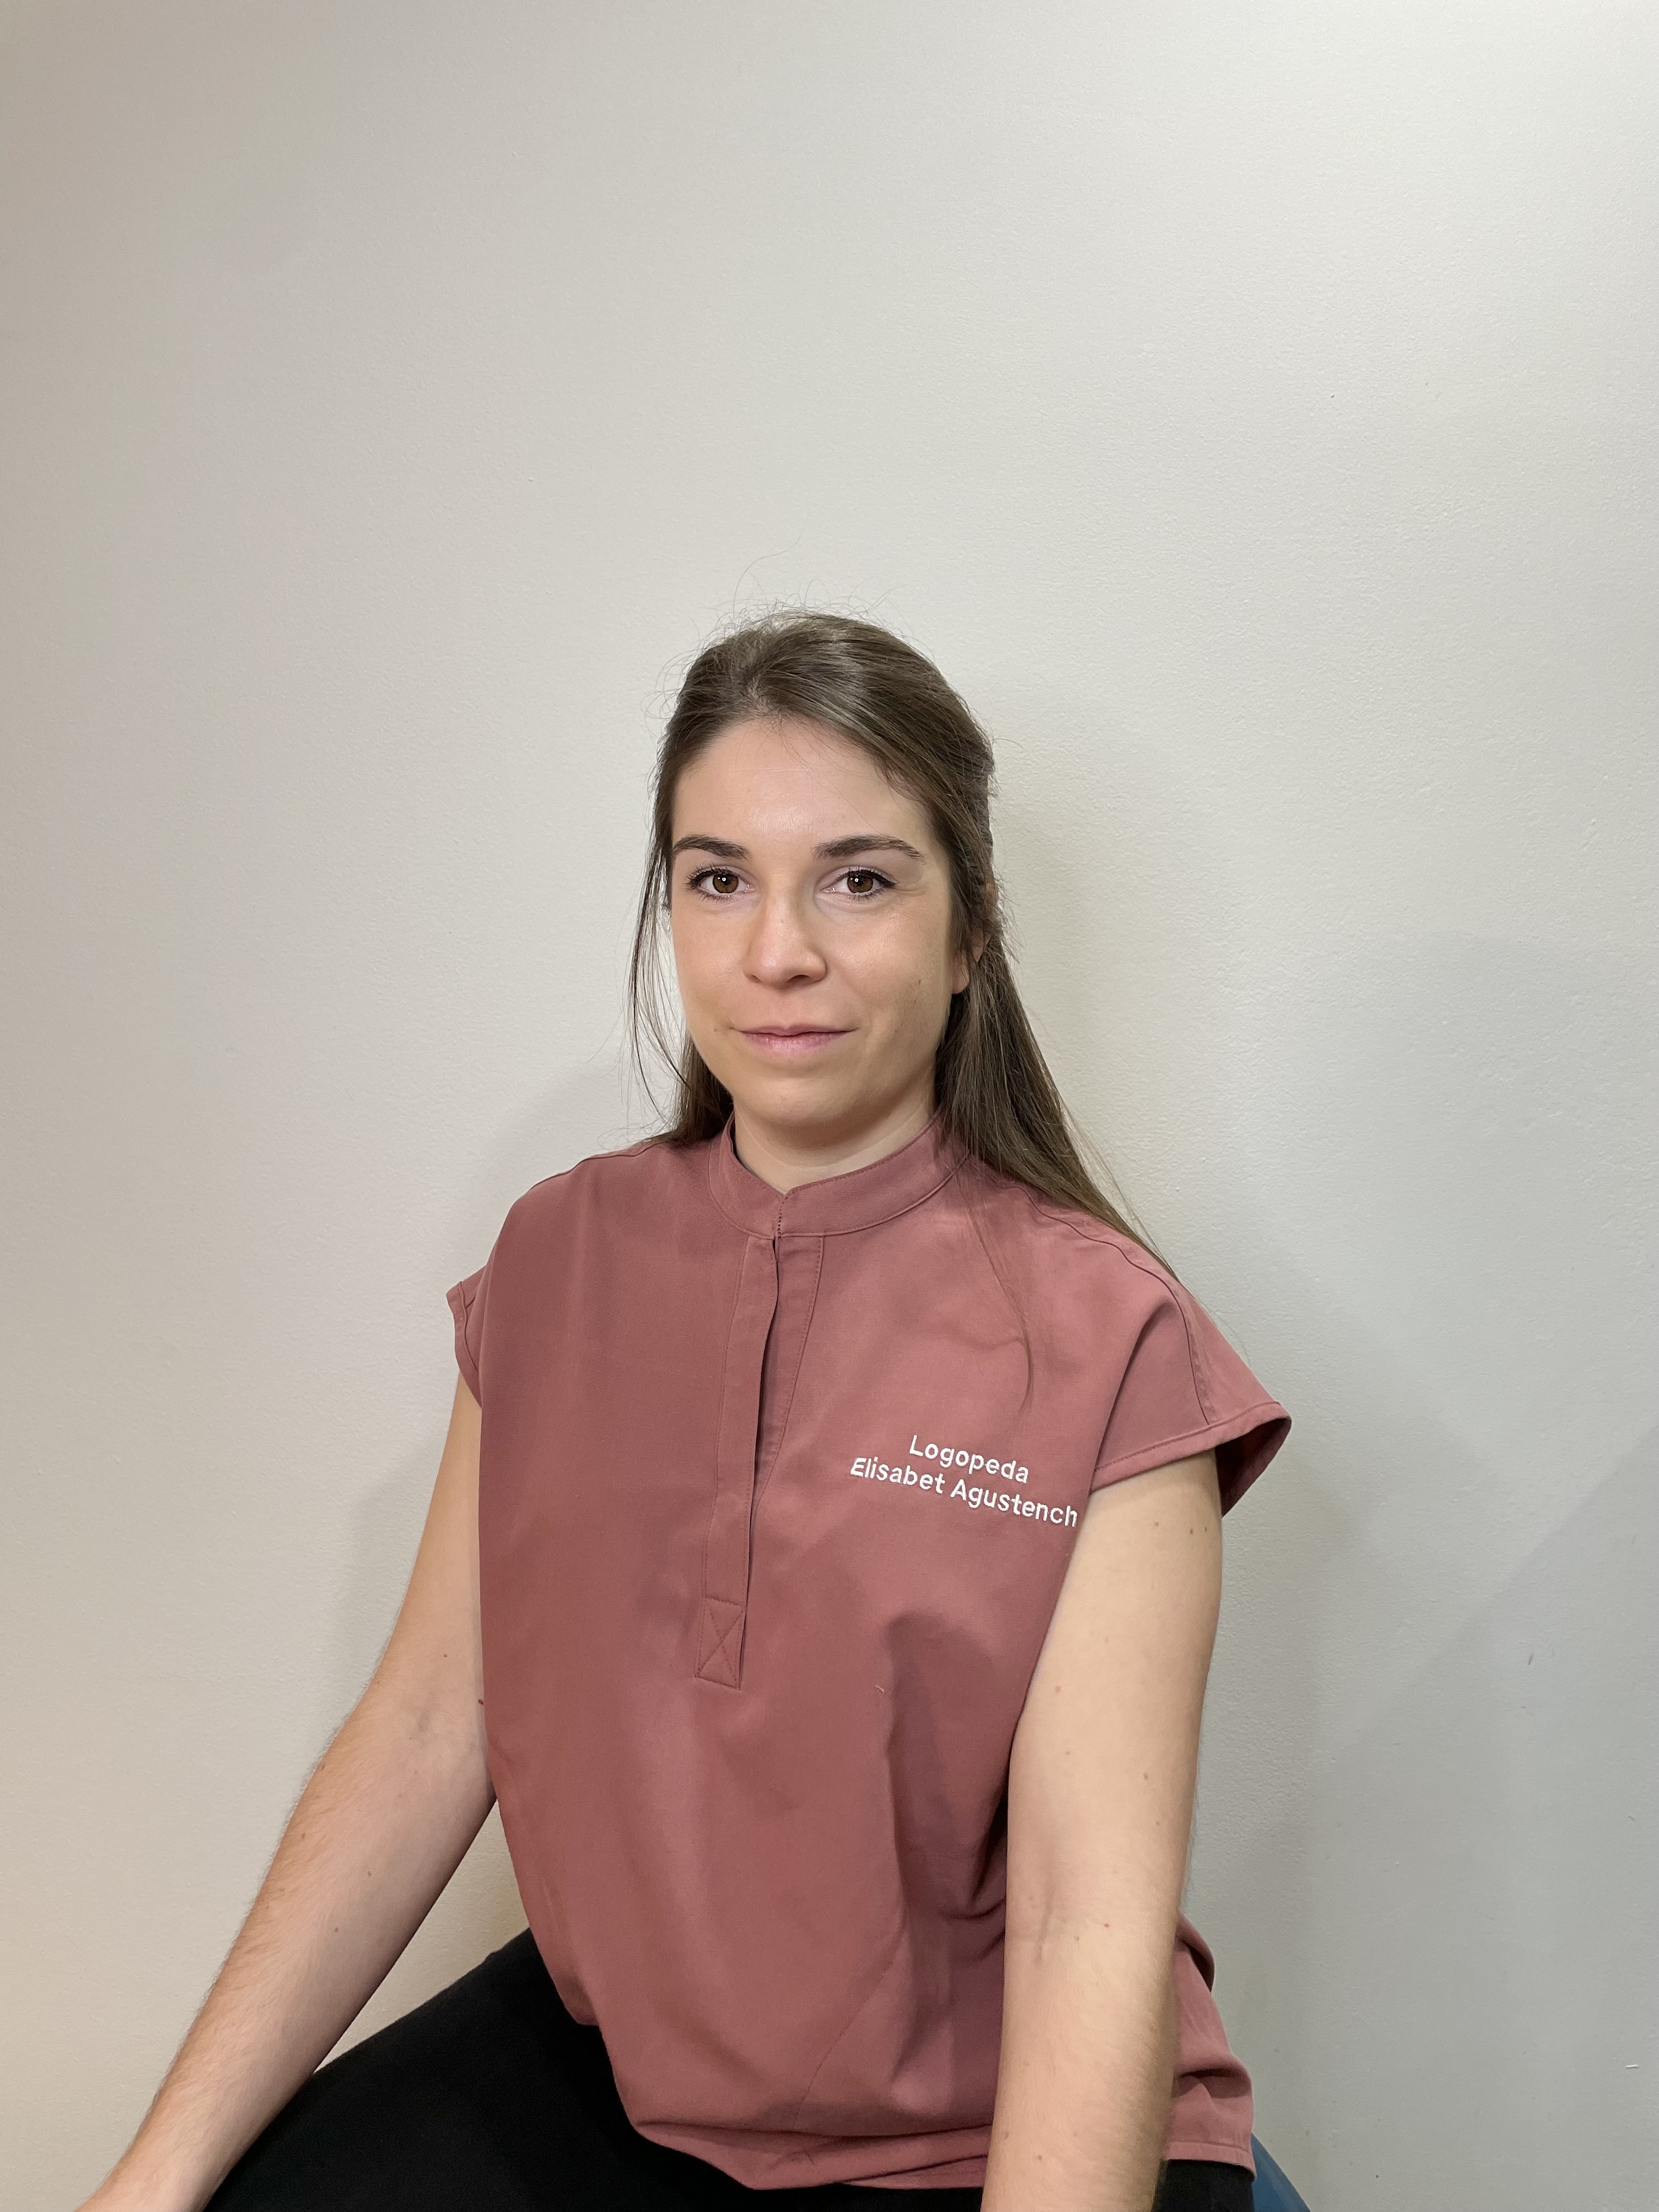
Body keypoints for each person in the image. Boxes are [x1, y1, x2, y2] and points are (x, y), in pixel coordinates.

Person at [80, 611, 1290, 2212]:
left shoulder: (1111, 1337)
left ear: (971, 934)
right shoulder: (554, 1258)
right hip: (627, 2077)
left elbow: (1090, 1920)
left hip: (975, 2129)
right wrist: (149, 2182)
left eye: (859, 880)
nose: (776, 950)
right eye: (719, 879)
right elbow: (428, 1730)